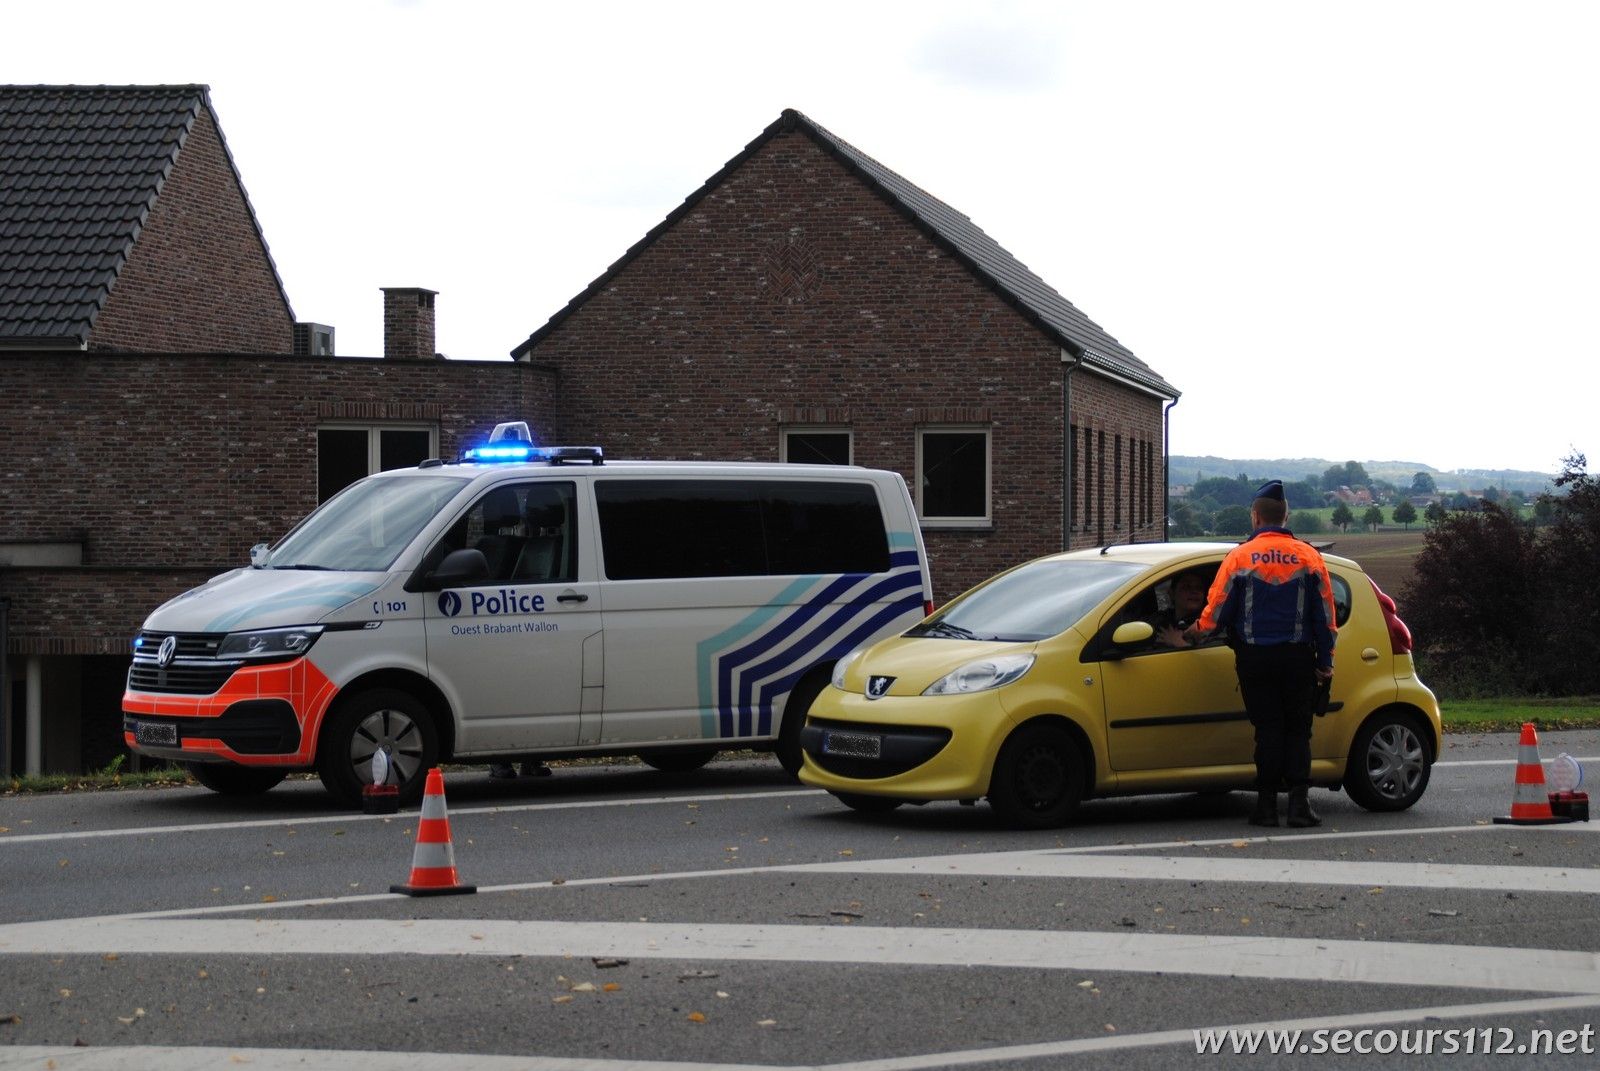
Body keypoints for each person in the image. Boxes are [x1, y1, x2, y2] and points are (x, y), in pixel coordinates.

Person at [1184, 480, 1337, 828]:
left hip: (1254, 660)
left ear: (1255, 517)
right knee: (1298, 730)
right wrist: (1325, 663)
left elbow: (1216, 611)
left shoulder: (1238, 557)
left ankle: (1266, 806)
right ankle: (1299, 805)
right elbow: (1326, 617)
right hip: (1298, 658)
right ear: (1286, 515)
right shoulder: (1309, 557)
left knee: (1267, 730)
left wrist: (1192, 634)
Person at [1153, 570, 1211, 648]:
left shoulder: (1210, 622)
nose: (1194, 591)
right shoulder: (1160, 620)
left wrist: (1179, 644)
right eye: (1186, 587)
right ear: (1172, 593)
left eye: (1199, 587)